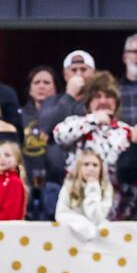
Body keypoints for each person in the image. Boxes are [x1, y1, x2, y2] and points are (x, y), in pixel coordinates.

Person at [52, 71, 132, 218]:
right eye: (97, 96)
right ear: (88, 102)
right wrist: (94, 119)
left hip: (113, 209)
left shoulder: (126, 131)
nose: (103, 101)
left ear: (116, 102)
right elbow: (59, 134)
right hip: (76, 207)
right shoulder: (77, 123)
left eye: (108, 96)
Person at [39, 50, 96, 220]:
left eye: (83, 70)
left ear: (93, 73)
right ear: (65, 74)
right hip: (56, 182)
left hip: (89, 181)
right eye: (74, 70)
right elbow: (45, 125)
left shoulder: (96, 101)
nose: (79, 74)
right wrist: (69, 96)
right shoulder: (54, 101)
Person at [20, 65, 57, 219]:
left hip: (54, 185)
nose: (41, 86)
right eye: (37, 82)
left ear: (55, 88)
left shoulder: (64, 114)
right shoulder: (19, 116)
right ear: (29, 89)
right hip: (26, 184)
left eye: (47, 83)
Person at [55, 150, 112, 241]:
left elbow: (97, 218)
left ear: (100, 169)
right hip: (71, 238)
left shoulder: (107, 189)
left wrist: (92, 189)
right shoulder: (68, 186)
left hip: (98, 240)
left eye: (95, 165)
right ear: (79, 168)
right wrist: (84, 226)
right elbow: (60, 214)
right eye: (86, 164)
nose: (91, 168)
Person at [0, 141, 27, 220]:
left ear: (17, 160)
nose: (2, 158)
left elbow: (9, 215)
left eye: (7, 155)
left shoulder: (14, 182)